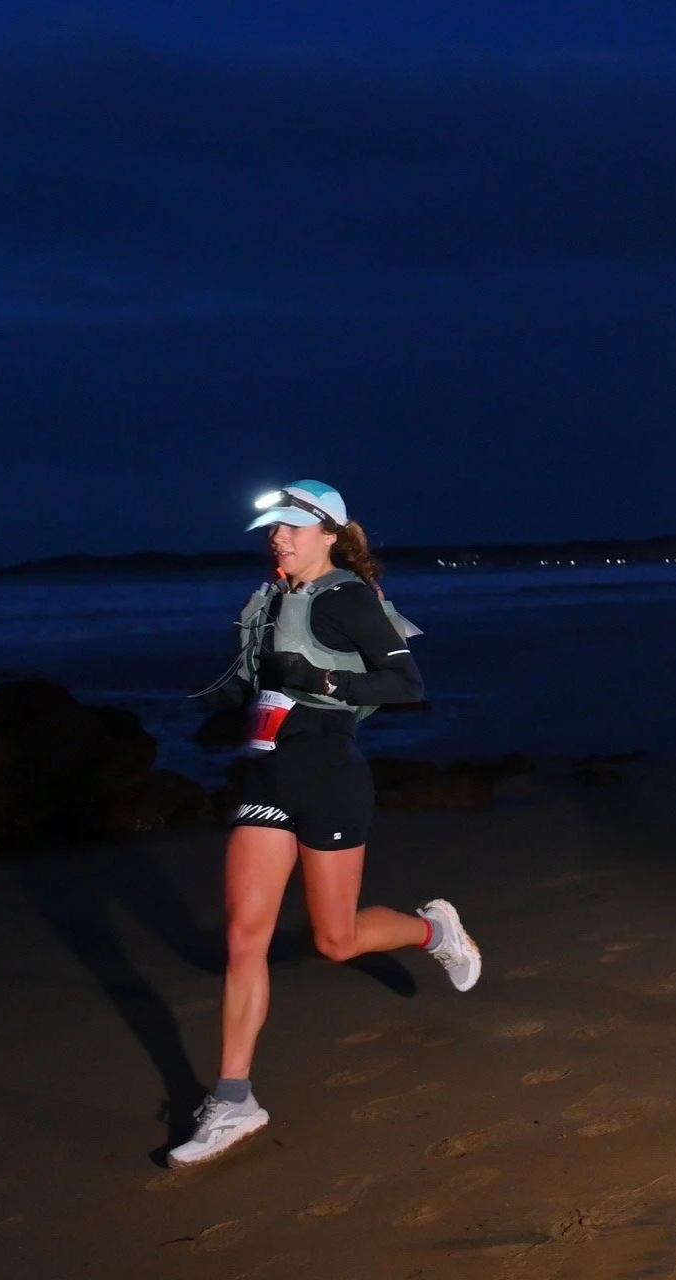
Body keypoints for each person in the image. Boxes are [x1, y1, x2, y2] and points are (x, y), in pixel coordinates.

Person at [167, 479, 481, 1167]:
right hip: (265, 778)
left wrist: (323, 681)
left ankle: (434, 930)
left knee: (334, 940)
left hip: (329, 780)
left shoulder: (347, 597)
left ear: (328, 534)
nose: (276, 538)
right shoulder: (277, 596)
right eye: (270, 529)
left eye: (289, 528)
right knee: (244, 936)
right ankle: (232, 1099)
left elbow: (406, 684)